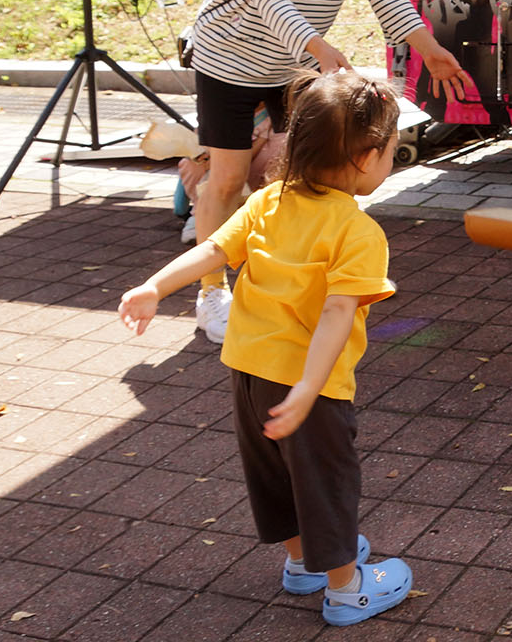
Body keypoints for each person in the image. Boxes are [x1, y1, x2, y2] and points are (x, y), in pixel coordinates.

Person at [117, 69, 414, 626]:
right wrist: (307, 389)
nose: (391, 160)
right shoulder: (358, 232)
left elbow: (213, 250)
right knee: (326, 482)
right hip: (308, 384)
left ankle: (301, 563)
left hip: (248, 368)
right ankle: (348, 589)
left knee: (275, 474)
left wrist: (155, 286)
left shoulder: (270, 199)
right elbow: (336, 312)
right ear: (364, 157)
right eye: (391, 150)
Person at [185, 0, 464, 343]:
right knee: (229, 179)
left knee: (298, 178)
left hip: (293, 62)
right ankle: (211, 294)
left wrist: (427, 45)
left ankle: (279, 278)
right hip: (230, 56)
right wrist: (316, 46)